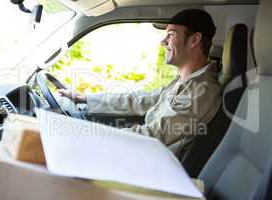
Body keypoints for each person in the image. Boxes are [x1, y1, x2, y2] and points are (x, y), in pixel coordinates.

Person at [58, 9, 222, 154]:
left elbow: (155, 135)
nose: (163, 42)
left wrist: (100, 138)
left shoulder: (203, 91)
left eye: (171, 35)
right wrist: (85, 98)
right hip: (145, 154)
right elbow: (140, 100)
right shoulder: (184, 81)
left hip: (154, 165)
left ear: (194, 40)